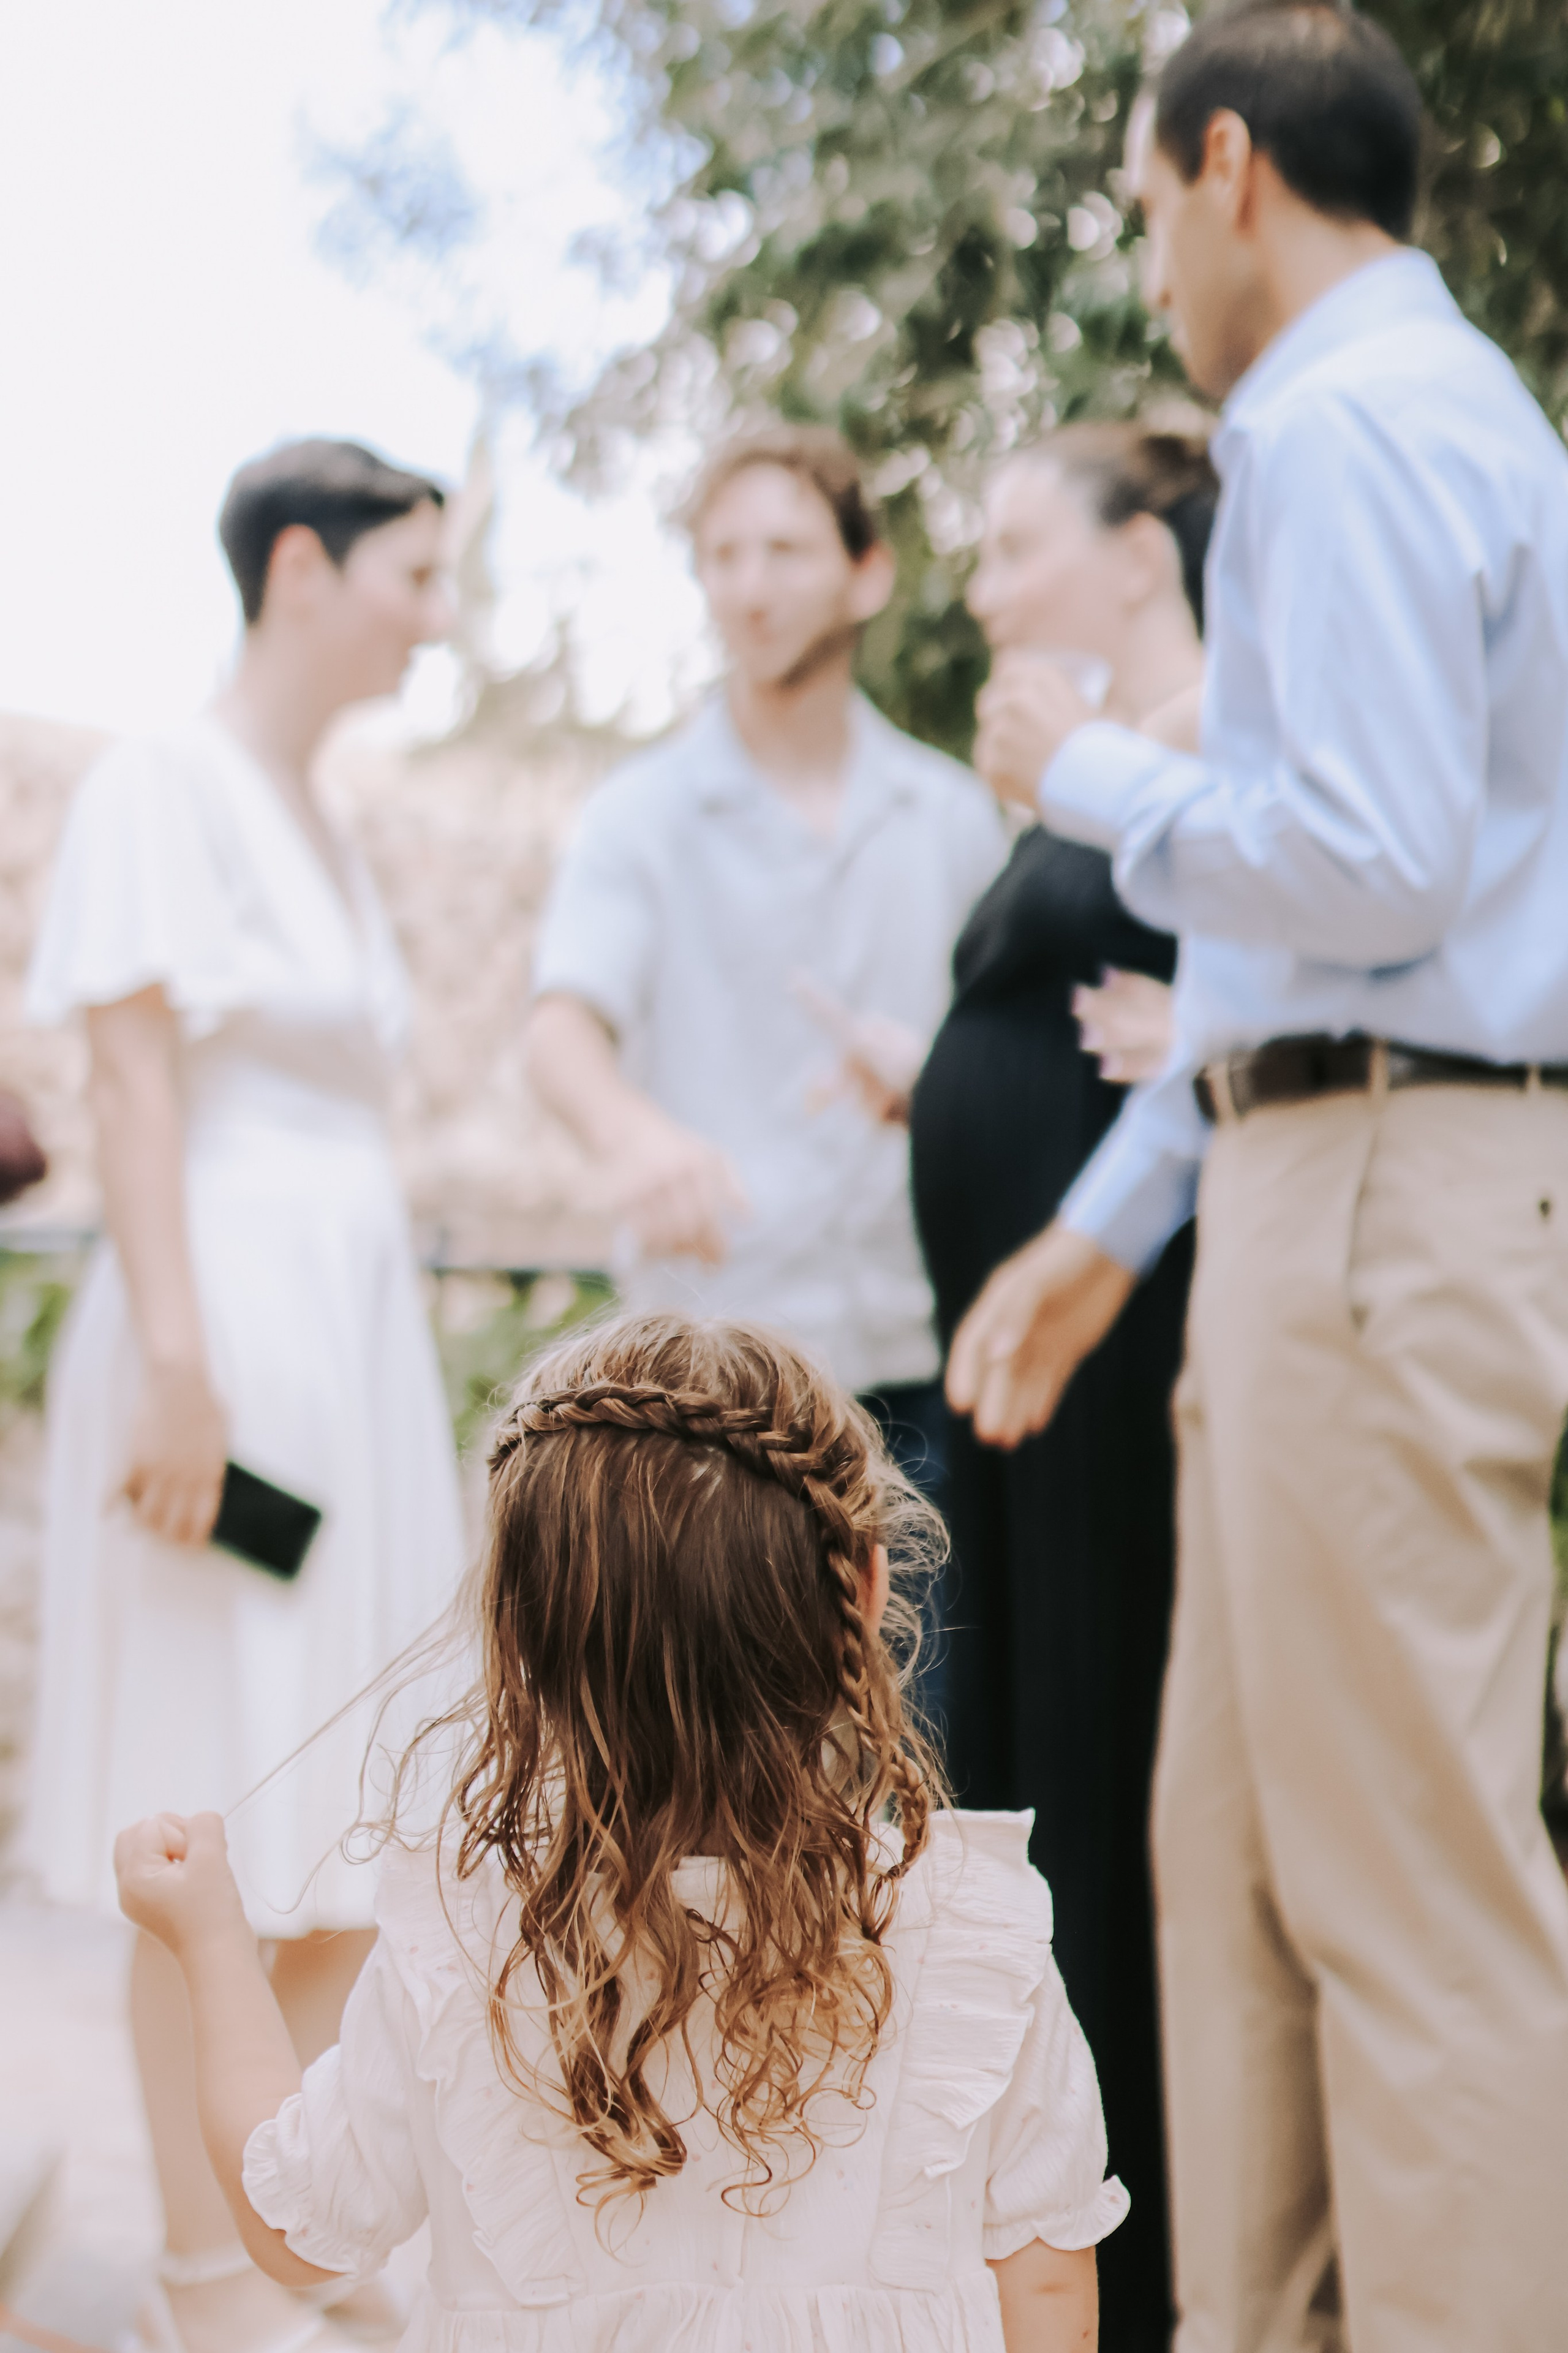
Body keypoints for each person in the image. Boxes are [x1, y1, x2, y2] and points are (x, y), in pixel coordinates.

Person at [951, 7, 1568, 2347]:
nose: (1149, 264)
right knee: (1234, 1882)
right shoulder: (1401, 417)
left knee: (1407, 1900)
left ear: (1229, 165)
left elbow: (1374, 864)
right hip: (1330, 1193)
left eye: (1138, 206)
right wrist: (1113, 1238)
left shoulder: (1348, 418)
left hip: (1392, 1200)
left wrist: (1094, 777)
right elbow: (1345, 909)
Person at [113, 1307, 1129, 2352]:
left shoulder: (468, 1937)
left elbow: (301, 2226)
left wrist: (210, 1942)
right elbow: (1047, 2285)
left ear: (513, 1635)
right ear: (865, 1593)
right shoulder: (976, 1939)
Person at [21, 440, 468, 2353]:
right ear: (305, 566)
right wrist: (181, 1368)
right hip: (224, 1329)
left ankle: (280, 2214)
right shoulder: (164, 779)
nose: (435, 618)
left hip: (352, 1342)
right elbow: (129, 1078)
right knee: (201, 1815)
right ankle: (203, 2280)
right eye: (416, 576)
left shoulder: (319, 815)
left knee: (349, 1826)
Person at [909, 418, 1214, 2353]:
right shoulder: (1085, 758)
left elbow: (1372, 931)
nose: (989, 581)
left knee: (1099, 1763)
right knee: (1008, 1765)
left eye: (1021, 540)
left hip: (1124, 1339)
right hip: (1019, 1354)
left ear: (1142, 552)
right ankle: (1037, 2226)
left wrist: (1218, 1024)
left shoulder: (1222, 744)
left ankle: (1139, 2243)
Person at [526, 423, 1006, 1535]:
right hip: (712, 1379)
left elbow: (999, 1055)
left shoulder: (952, 815)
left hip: (917, 1366)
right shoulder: (639, 815)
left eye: (785, 551)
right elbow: (559, 1029)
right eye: (723, 555)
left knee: (914, 1713)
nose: (750, 588)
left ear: (866, 573)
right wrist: (634, 1137)